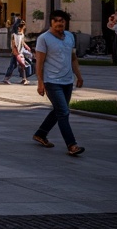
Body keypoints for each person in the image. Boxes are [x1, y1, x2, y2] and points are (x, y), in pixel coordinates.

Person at [33, 10, 85, 156]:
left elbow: (73, 58)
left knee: (58, 110)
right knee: (63, 112)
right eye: (56, 20)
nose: (59, 23)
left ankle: (41, 134)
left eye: (61, 20)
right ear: (51, 22)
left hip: (67, 81)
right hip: (52, 81)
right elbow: (40, 63)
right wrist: (40, 83)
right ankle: (72, 145)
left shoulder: (69, 36)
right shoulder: (44, 39)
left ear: (65, 22)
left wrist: (78, 76)